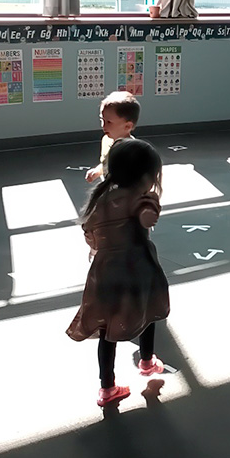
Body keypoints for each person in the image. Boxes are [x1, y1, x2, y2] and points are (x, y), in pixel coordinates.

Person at [67, 138, 170, 407]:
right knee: (148, 311)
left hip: (106, 269)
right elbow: (147, 217)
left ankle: (107, 387)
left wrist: (99, 248)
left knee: (107, 328)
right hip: (137, 266)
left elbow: (89, 230)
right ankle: (147, 361)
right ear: (146, 176)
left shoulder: (102, 196)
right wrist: (150, 211)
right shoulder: (140, 197)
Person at [85, 90, 140, 183]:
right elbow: (106, 164)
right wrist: (97, 171)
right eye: (102, 120)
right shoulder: (106, 140)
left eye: (109, 122)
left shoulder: (133, 150)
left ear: (127, 126)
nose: (103, 126)